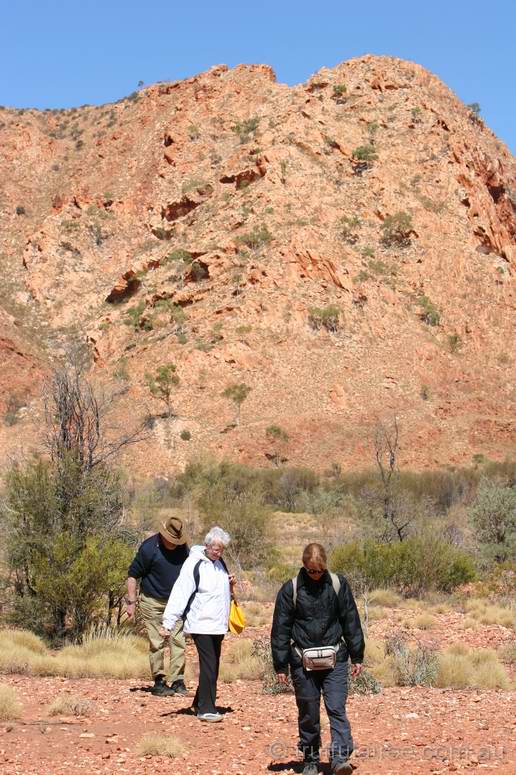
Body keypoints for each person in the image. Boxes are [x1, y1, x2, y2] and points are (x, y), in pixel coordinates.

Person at [271, 543, 365, 775]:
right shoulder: (290, 590)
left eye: (320, 570)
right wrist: (280, 664)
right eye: (312, 570)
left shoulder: (337, 584)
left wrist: (357, 655)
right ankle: (310, 760)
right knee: (308, 711)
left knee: (336, 708)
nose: (316, 575)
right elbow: (280, 629)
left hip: (336, 658)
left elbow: (350, 620)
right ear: (304, 565)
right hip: (303, 661)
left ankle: (340, 758)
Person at [159, 526, 235, 722]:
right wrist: (167, 622)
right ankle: (206, 709)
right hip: (201, 624)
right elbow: (180, 593)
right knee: (209, 665)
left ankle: (199, 702)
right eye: (216, 549)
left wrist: (230, 584)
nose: (219, 552)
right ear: (207, 545)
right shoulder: (194, 564)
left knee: (214, 665)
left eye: (222, 549)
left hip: (218, 624)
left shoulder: (220, 563)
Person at [126, 515, 189, 696]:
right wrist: (131, 602)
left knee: (178, 641)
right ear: (163, 536)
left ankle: (177, 680)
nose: (174, 543)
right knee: (157, 642)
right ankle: (159, 681)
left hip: (176, 603)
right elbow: (132, 574)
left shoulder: (183, 549)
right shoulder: (149, 548)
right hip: (152, 601)